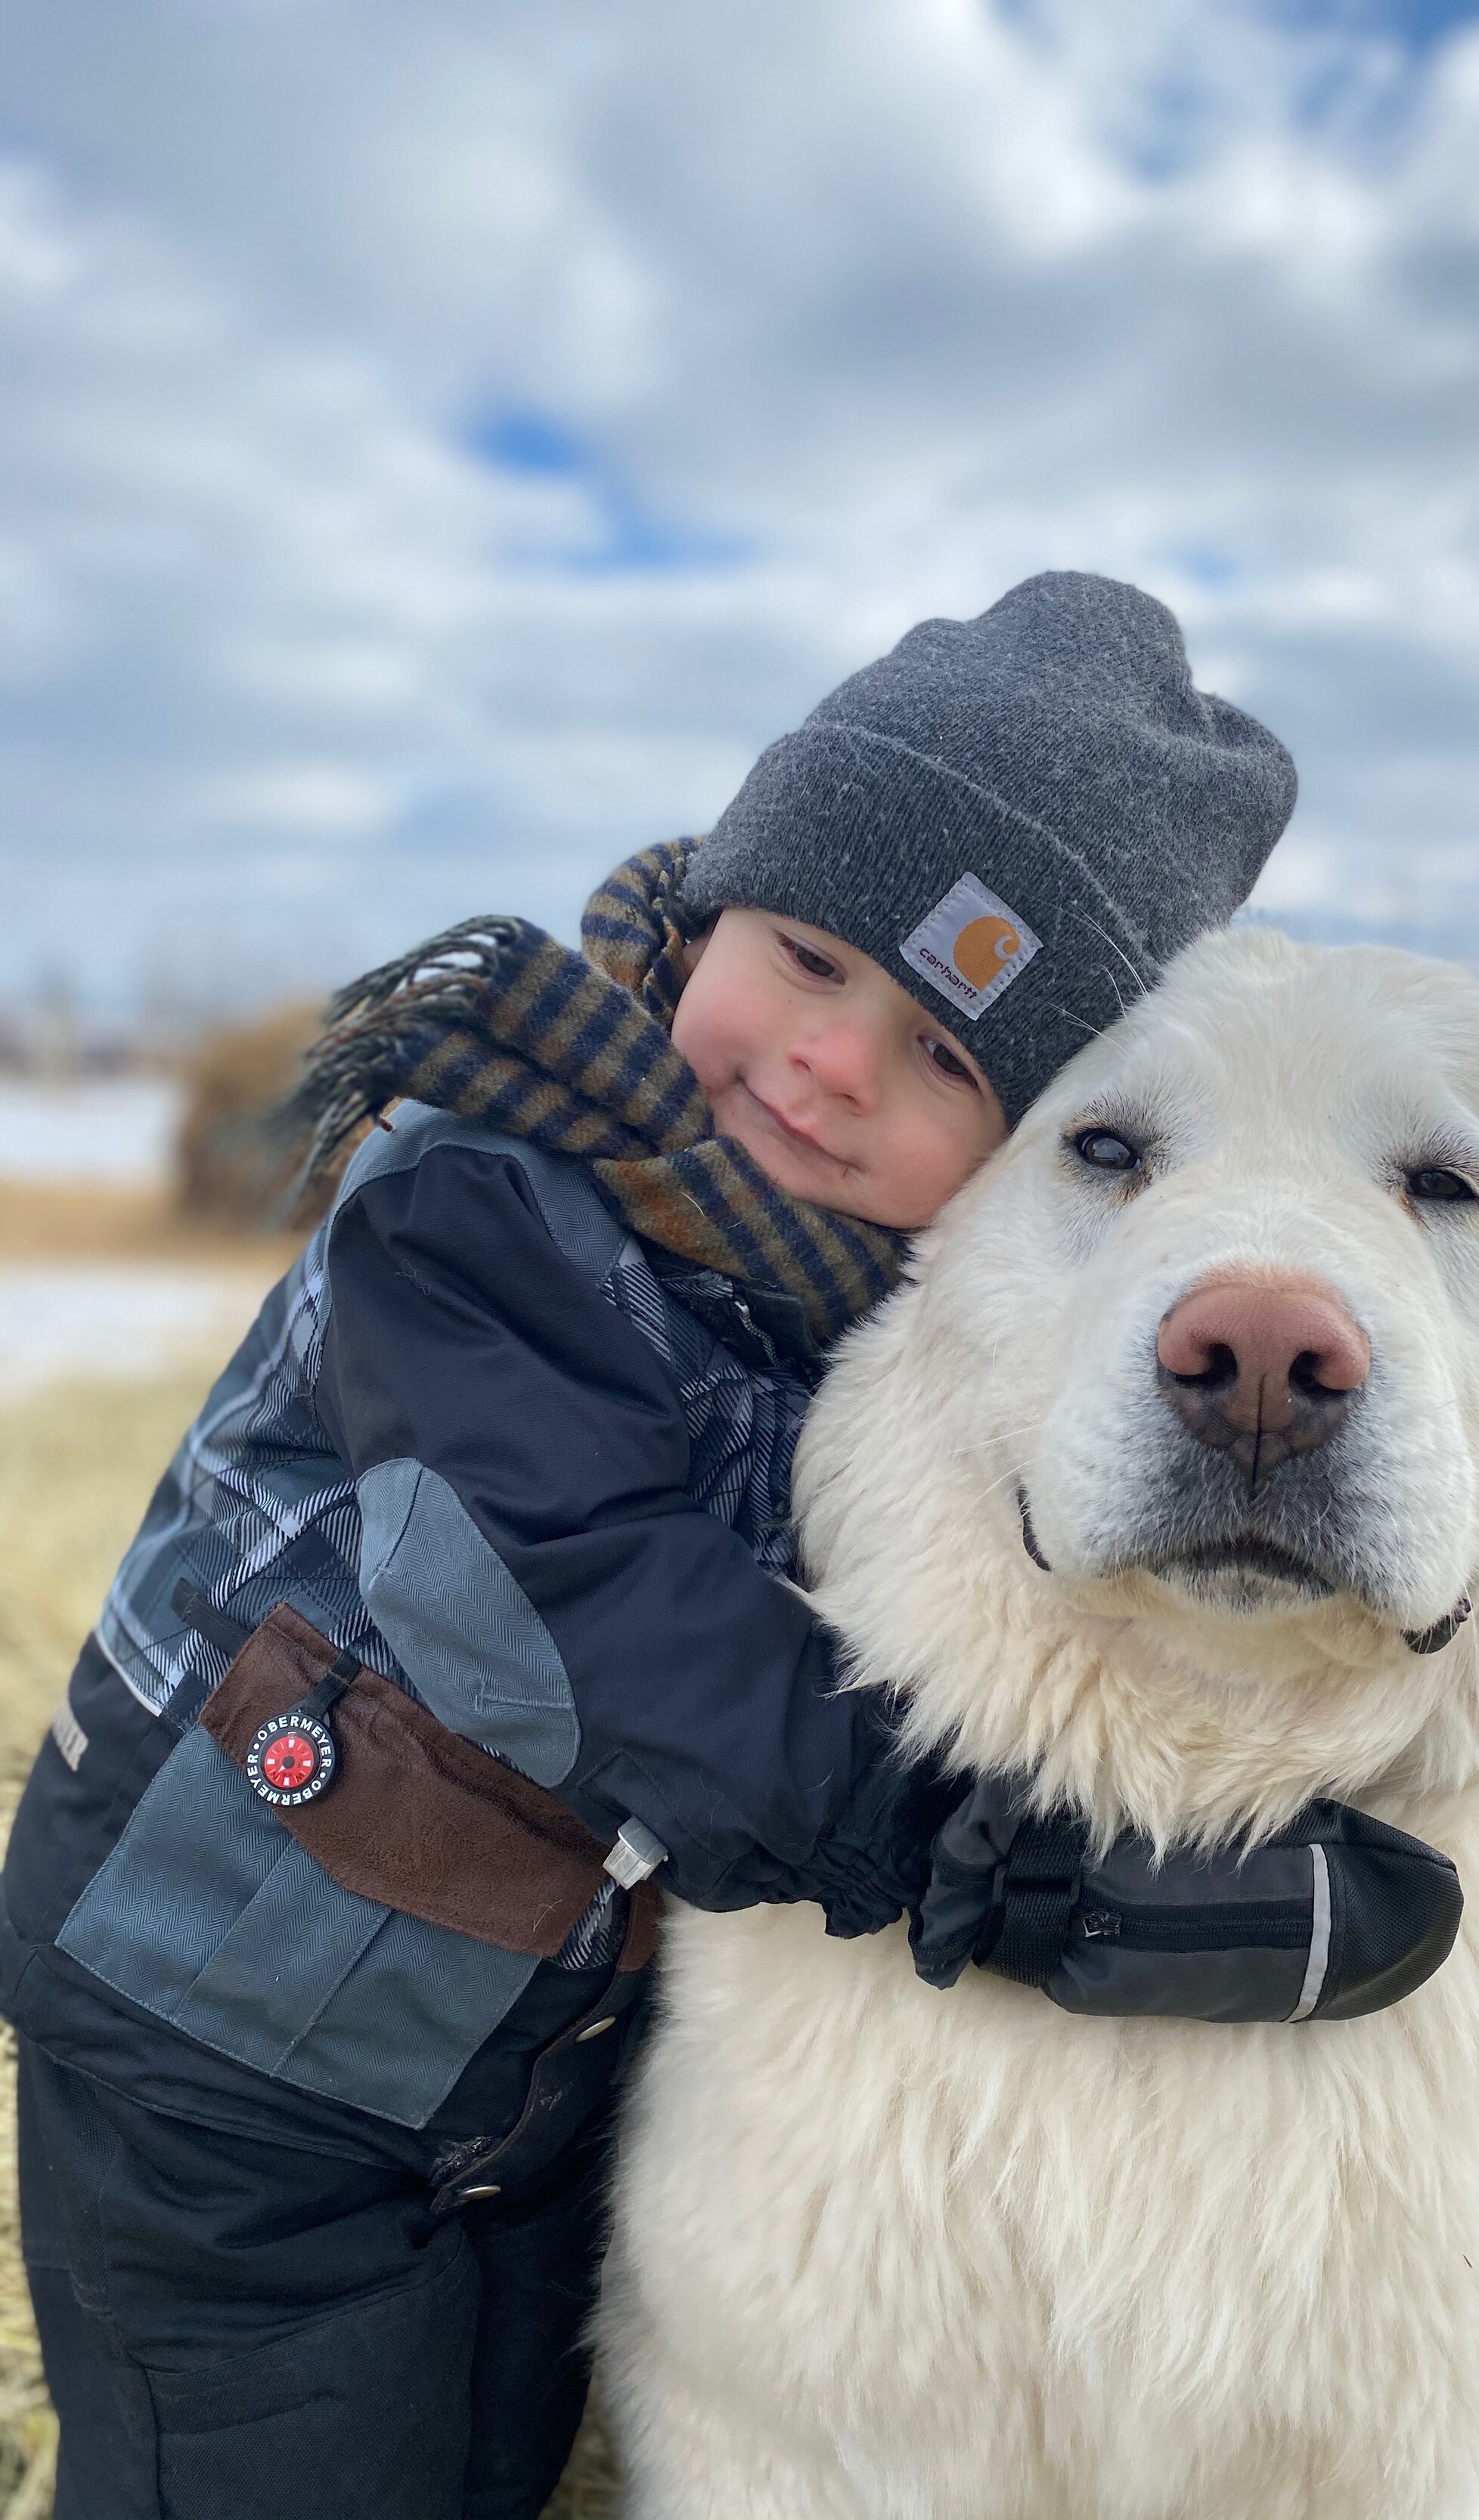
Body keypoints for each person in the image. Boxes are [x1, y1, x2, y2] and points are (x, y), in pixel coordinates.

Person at [0, 572, 1308, 2518]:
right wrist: (1001, 1858)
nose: (831, 1061)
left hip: (507, 2056)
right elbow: (559, 1598)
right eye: (803, 954)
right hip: (217, 2049)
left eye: (950, 1058)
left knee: (484, 2463)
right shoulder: (488, 1181)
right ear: (706, 908)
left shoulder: (874, 1317)